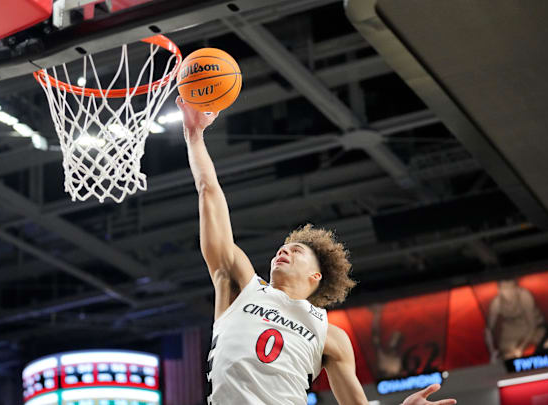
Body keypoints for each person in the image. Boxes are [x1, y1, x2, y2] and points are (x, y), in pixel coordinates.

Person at [178, 97, 456, 405]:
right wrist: (195, 137)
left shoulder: (331, 336)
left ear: (316, 274)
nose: (283, 252)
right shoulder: (241, 285)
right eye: (281, 249)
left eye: (296, 250)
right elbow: (209, 191)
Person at [485, 279, 548, 361]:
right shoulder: (496, 303)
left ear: (516, 288)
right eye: (505, 288)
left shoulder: (525, 296)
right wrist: (492, 351)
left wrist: (521, 348)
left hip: (534, 327)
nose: (508, 292)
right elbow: (488, 330)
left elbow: (532, 326)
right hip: (512, 329)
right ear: (499, 290)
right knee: (507, 356)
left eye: (511, 288)